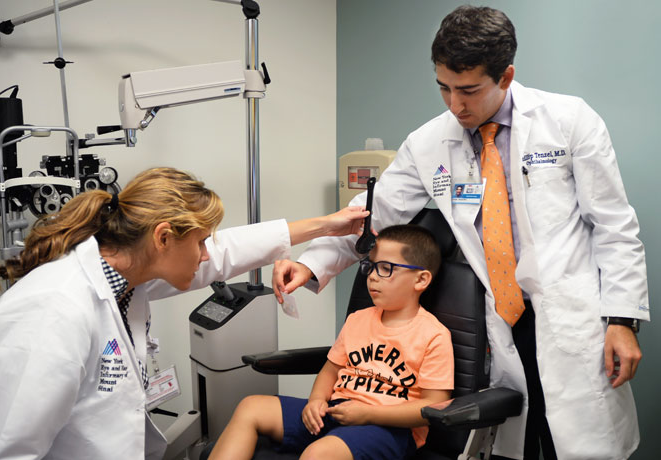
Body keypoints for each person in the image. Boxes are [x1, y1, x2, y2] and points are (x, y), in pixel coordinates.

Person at [272, 6, 649, 460]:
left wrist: (623, 321)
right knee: (520, 442)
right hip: (499, 317)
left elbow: (614, 225)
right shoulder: (430, 142)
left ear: (506, 76)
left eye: (468, 90)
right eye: (444, 88)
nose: (455, 105)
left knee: (579, 442)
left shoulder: (569, 121)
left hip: (572, 315)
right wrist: (309, 262)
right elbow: (372, 216)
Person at [0, 167, 371, 460]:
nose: (207, 254)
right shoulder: (54, 308)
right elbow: (11, 448)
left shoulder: (129, 279)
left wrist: (327, 224)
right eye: (202, 241)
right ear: (162, 238)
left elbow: (229, 252)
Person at [209, 224, 453, 460]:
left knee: (319, 454)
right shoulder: (358, 320)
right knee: (251, 407)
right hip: (336, 410)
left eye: (386, 268)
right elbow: (331, 371)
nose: (372, 277)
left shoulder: (433, 335)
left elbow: (435, 405)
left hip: (387, 427)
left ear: (421, 280)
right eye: (371, 266)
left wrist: (369, 414)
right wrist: (316, 400)